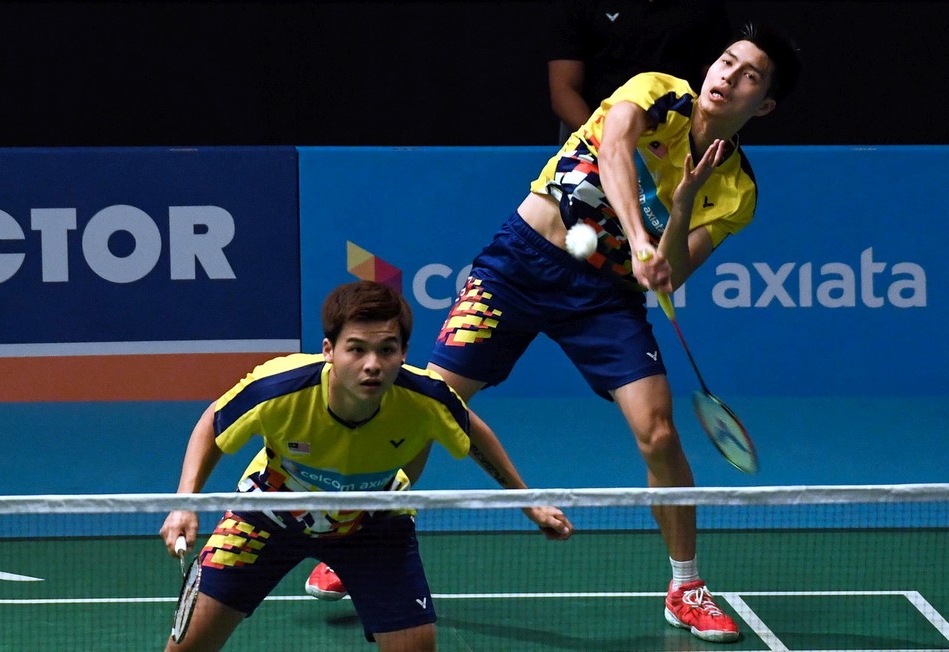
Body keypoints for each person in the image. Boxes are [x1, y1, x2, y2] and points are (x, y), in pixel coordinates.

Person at [309, 22, 801, 644]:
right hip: (520, 263)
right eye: (726, 62)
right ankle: (360, 535)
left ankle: (685, 584)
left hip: (605, 298)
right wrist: (642, 235)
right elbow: (615, 151)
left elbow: (666, 276)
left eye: (748, 75)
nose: (726, 76)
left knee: (659, 429)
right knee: (432, 399)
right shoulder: (655, 93)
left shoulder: (737, 191)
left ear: (767, 104)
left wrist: (678, 212)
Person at [159, 280, 573, 651]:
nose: (372, 364)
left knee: (416, 646)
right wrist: (185, 502)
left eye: (386, 350)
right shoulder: (280, 389)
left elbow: (474, 433)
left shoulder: (426, 399)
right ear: (329, 351)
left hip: (373, 522)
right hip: (269, 514)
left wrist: (530, 503)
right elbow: (213, 423)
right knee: (188, 647)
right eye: (356, 349)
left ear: (403, 353)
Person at [548, 0, 732, 142]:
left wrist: (692, 141)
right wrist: (607, 143)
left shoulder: (705, 7)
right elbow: (564, 89)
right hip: (597, 136)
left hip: (678, 140)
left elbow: (716, 83)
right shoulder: (579, 4)